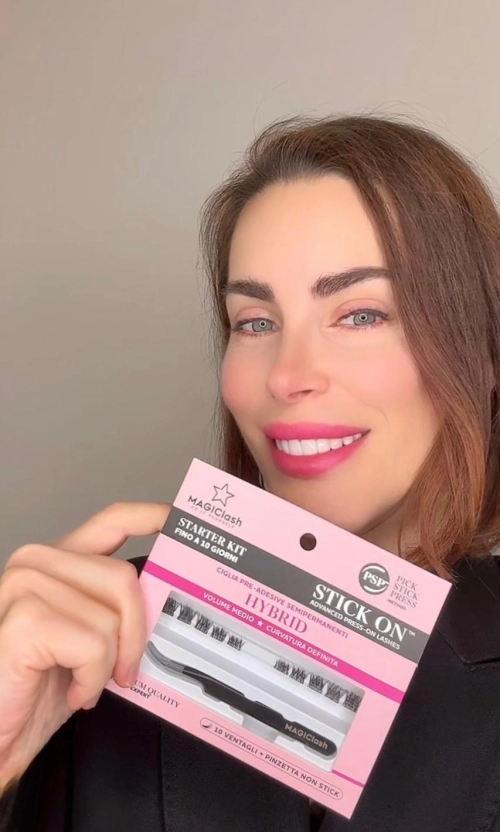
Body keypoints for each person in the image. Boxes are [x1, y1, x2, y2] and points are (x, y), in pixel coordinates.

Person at [1, 113, 500, 832]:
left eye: (360, 314)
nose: (287, 376)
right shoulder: (92, 644)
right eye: (255, 322)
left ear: (480, 350)